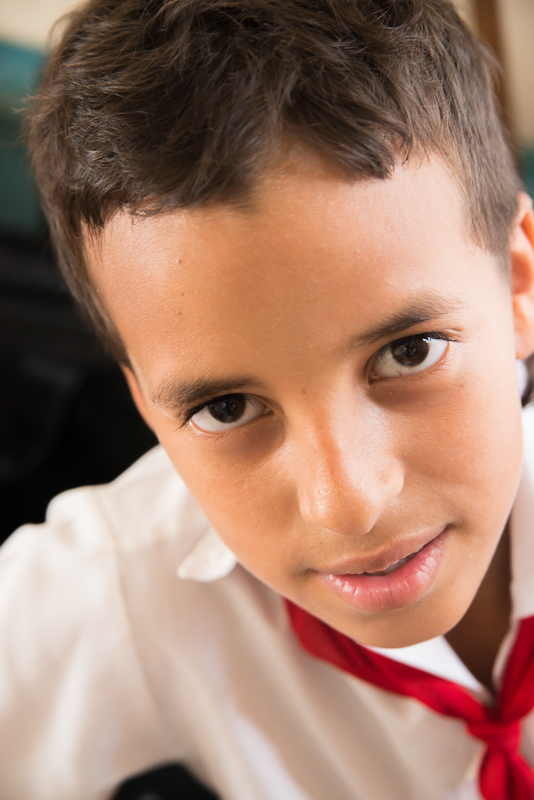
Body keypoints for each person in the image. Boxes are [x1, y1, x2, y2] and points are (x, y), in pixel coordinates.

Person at [2, 0, 534, 797]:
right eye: (225, 408)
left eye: (409, 352)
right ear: (144, 403)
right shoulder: (124, 579)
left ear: (520, 283)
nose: (347, 504)